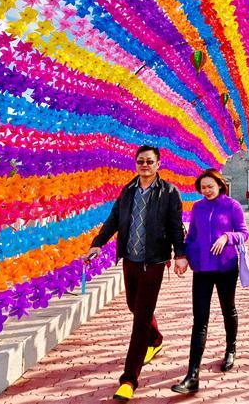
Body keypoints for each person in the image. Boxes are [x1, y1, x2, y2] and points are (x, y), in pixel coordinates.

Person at [84, 145, 189, 402]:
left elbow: (176, 227)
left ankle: (129, 379)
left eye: (149, 161)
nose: (145, 165)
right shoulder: (128, 191)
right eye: (140, 161)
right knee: (134, 306)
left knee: (140, 318)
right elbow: (112, 220)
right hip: (130, 260)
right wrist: (97, 243)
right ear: (136, 163)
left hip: (153, 262)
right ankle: (156, 339)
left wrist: (180, 255)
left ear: (158, 164)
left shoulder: (169, 192)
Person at [171, 169, 249, 394]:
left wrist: (228, 237)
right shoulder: (197, 207)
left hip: (225, 267)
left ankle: (230, 349)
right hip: (202, 268)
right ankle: (192, 375)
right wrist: (184, 257)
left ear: (220, 185)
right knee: (200, 319)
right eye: (203, 187)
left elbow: (244, 233)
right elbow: (192, 234)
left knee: (228, 309)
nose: (206, 190)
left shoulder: (232, 205)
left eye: (210, 186)